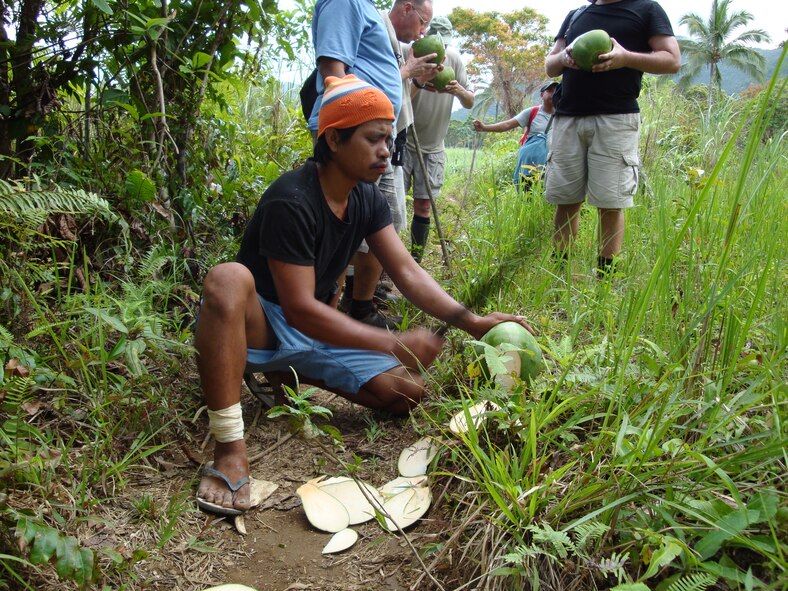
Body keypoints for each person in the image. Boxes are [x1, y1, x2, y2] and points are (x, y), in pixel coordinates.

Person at [194, 75, 532, 516]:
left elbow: (408, 272)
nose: (384, 150)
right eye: (373, 138)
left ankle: (293, 375)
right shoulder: (291, 199)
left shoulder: (367, 199)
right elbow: (297, 308)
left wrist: (472, 321)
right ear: (334, 139)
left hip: (316, 327)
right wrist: (393, 342)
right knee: (227, 278)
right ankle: (229, 447)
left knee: (407, 392)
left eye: (388, 139)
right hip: (265, 323)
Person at [308, 0, 440, 327]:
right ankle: (328, 316)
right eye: (422, 21)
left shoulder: (365, 8)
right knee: (341, 226)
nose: (423, 31)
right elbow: (333, 72)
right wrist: (346, 134)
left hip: (375, 135)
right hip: (354, 136)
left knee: (380, 223)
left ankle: (360, 309)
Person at [544, 0, 680, 274]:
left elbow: (672, 60)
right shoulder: (577, 14)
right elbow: (551, 65)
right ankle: (558, 275)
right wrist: (564, 58)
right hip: (568, 117)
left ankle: (605, 280)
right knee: (566, 200)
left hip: (615, 119)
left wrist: (626, 57)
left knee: (610, 203)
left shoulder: (646, 9)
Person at [404, 16, 474, 263]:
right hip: (406, 140)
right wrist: (419, 80)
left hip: (433, 147)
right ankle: (382, 268)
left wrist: (458, 91)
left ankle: (415, 261)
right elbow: (398, 95)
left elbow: (470, 100)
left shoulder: (454, 57)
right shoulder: (412, 54)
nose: (440, 52)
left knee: (423, 207)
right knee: (390, 207)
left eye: (443, 46)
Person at [473, 81, 558, 189]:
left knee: (546, 198)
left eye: (556, 91)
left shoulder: (562, 116)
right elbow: (507, 124)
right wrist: (485, 127)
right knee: (526, 194)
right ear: (542, 95)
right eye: (549, 91)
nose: (553, 94)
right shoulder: (532, 112)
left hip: (550, 168)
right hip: (528, 166)